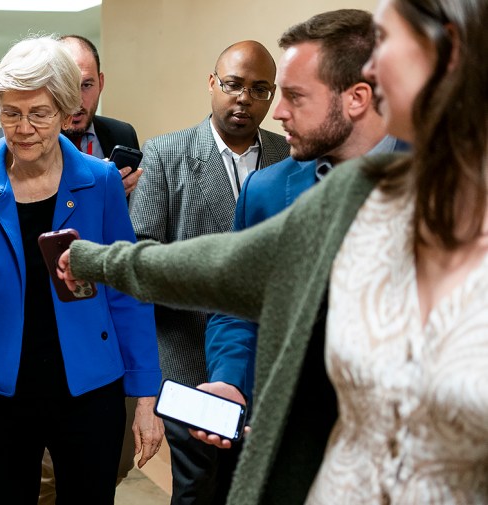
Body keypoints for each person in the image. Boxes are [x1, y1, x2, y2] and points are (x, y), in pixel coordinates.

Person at [59, 0, 488, 502]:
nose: (370, 67)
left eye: (386, 43)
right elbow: (220, 269)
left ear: (450, 53)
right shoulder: (357, 190)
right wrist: (92, 259)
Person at [0, 36, 164, 504]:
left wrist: (146, 397)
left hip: (91, 389)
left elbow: (127, 292)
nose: (23, 128)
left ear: (65, 111)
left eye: (39, 113)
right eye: (10, 113)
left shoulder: (99, 183)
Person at [202, 9, 407, 442]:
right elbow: (238, 308)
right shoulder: (265, 190)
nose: (275, 113)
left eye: (295, 97)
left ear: (356, 98)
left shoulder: (453, 181)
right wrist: (229, 380)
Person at [127, 40, 288, 504]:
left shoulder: (287, 156)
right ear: (212, 83)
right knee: (198, 489)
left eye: (259, 90)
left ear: (271, 96)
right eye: (233, 85)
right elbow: (143, 257)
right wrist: (212, 281)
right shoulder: (167, 153)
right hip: (188, 358)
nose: (244, 99)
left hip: (263, 360)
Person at [0, 35, 143, 197]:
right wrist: (99, 194)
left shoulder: (122, 134)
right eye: (12, 113)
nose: (76, 100)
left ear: (100, 83)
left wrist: (110, 197)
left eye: (86, 85)